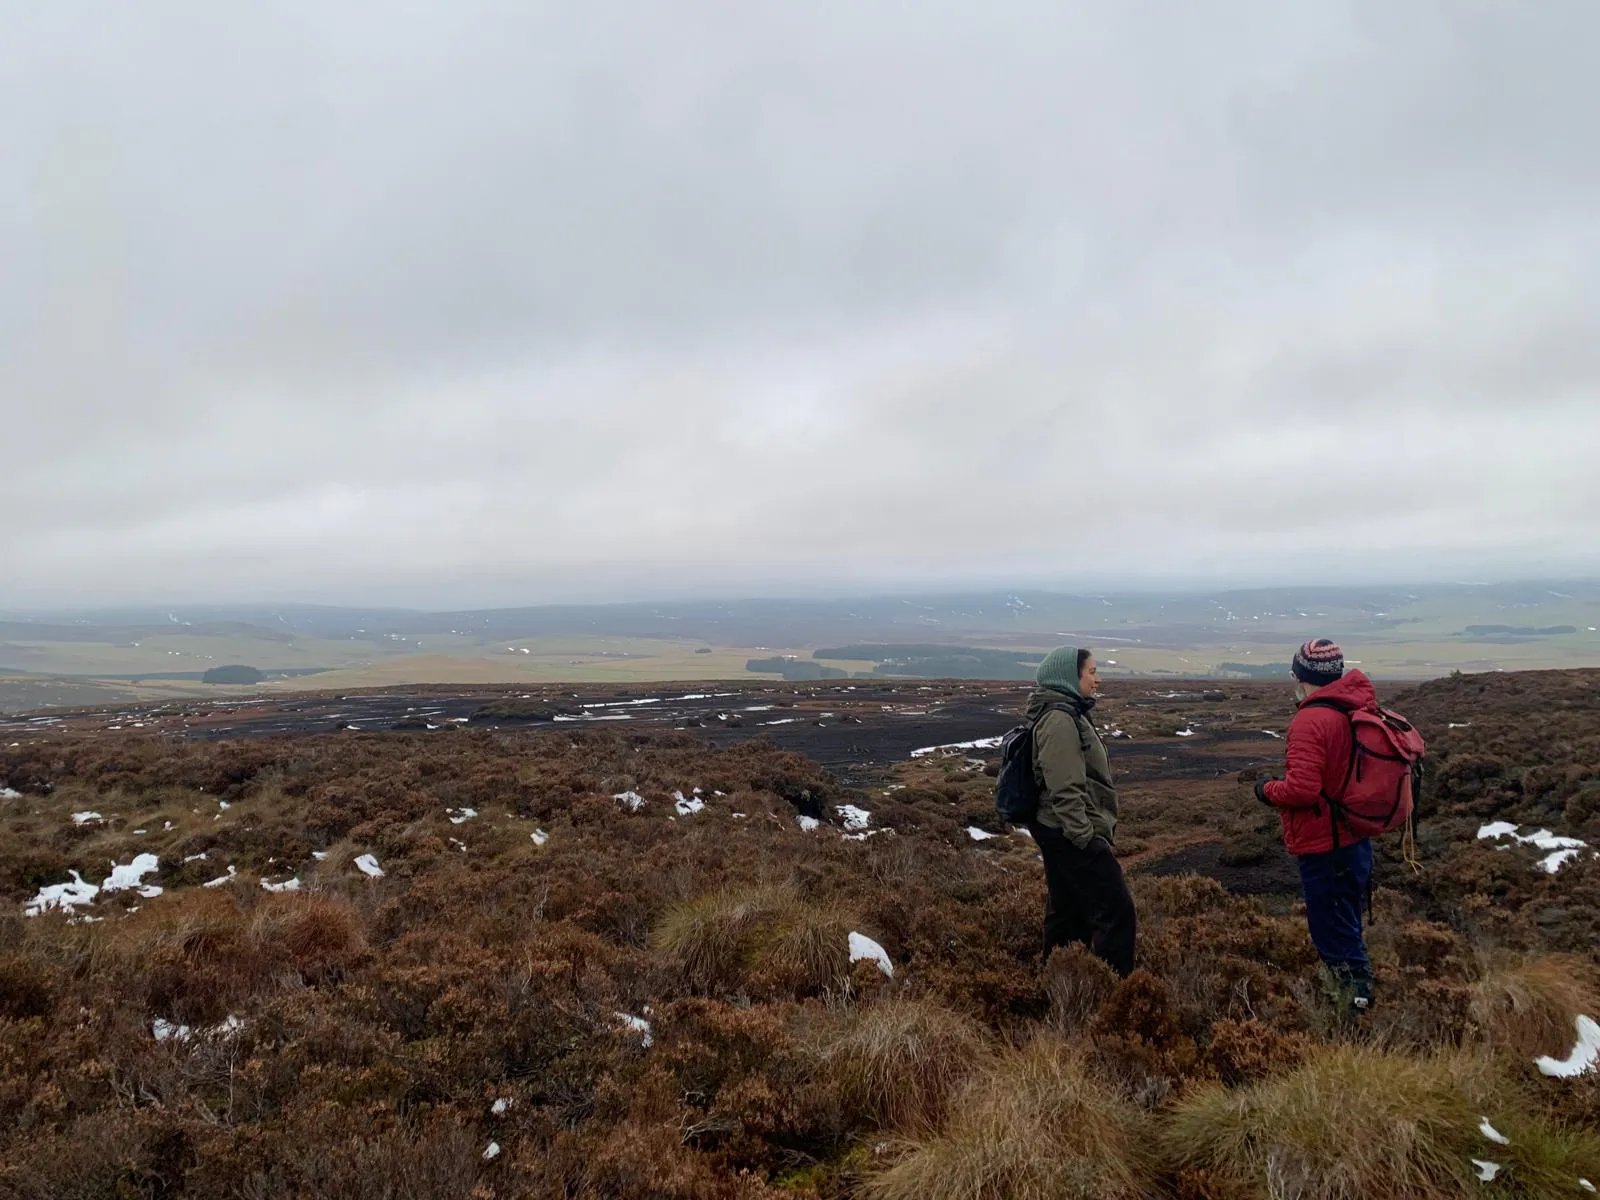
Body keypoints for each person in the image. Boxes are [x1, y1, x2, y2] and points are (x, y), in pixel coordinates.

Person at [1255, 638, 1377, 1017]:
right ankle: (1354, 997)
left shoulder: (1311, 720)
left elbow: (1303, 790)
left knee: (1331, 928)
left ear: (1301, 675)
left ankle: (1351, 1008)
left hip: (1325, 843)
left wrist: (1267, 790)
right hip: (1354, 837)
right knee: (1346, 921)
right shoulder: (1353, 709)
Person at [1026, 645, 1136, 977]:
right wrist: (1085, 837)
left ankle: (1061, 986)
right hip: (1069, 833)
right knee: (1117, 912)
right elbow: (1065, 788)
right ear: (1069, 677)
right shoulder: (1060, 719)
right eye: (1092, 672)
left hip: (1057, 829)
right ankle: (1116, 994)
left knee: (1067, 913)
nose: (1098, 679)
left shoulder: (1066, 713)